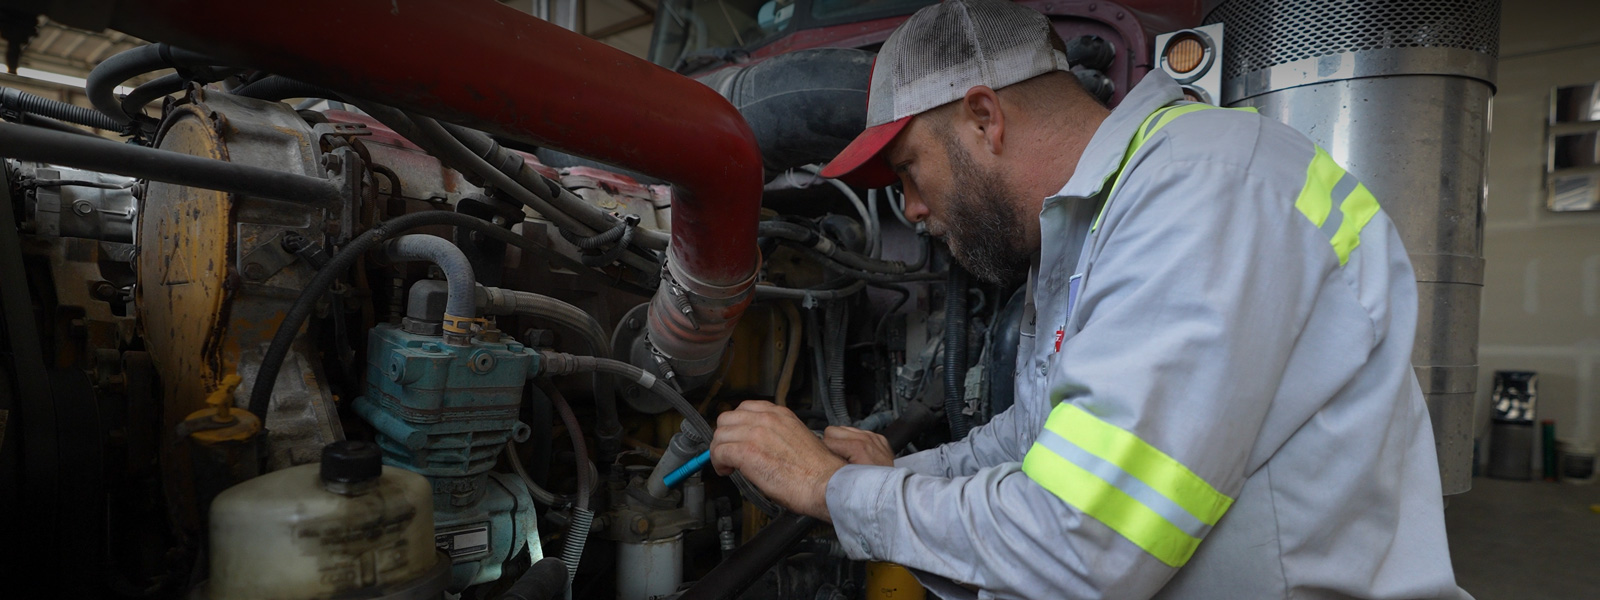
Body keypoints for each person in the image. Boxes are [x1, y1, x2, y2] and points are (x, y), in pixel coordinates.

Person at [708, 0, 1468, 597]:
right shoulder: (1092, 225)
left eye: (909, 169)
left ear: (984, 117)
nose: (909, 209)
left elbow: (1083, 542)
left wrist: (833, 491)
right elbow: (1033, 437)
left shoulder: (1201, 192)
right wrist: (893, 475)